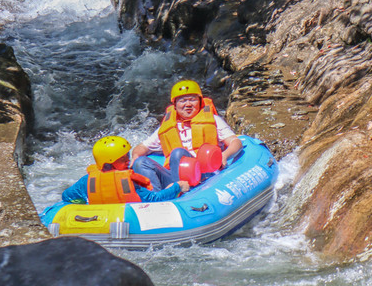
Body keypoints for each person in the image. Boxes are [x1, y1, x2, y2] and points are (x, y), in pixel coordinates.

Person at [131, 80, 243, 188]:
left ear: (200, 101)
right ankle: (158, 198)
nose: (188, 104)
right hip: (175, 177)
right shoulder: (166, 127)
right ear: (175, 105)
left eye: (192, 100)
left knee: (178, 153)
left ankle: (179, 191)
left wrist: (225, 155)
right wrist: (135, 155)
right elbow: (142, 147)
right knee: (141, 162)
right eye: (182, 101)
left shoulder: (214, 120)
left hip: (204, 174)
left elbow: (235, 142)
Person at [61, 135, 189, 205]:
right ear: (108, 164)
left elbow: (67, 196)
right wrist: (177, 187)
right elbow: (153, 200)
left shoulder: (87, 181)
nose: (128, 161)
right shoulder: (128, 183)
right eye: (123, 159)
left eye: (128, 156)